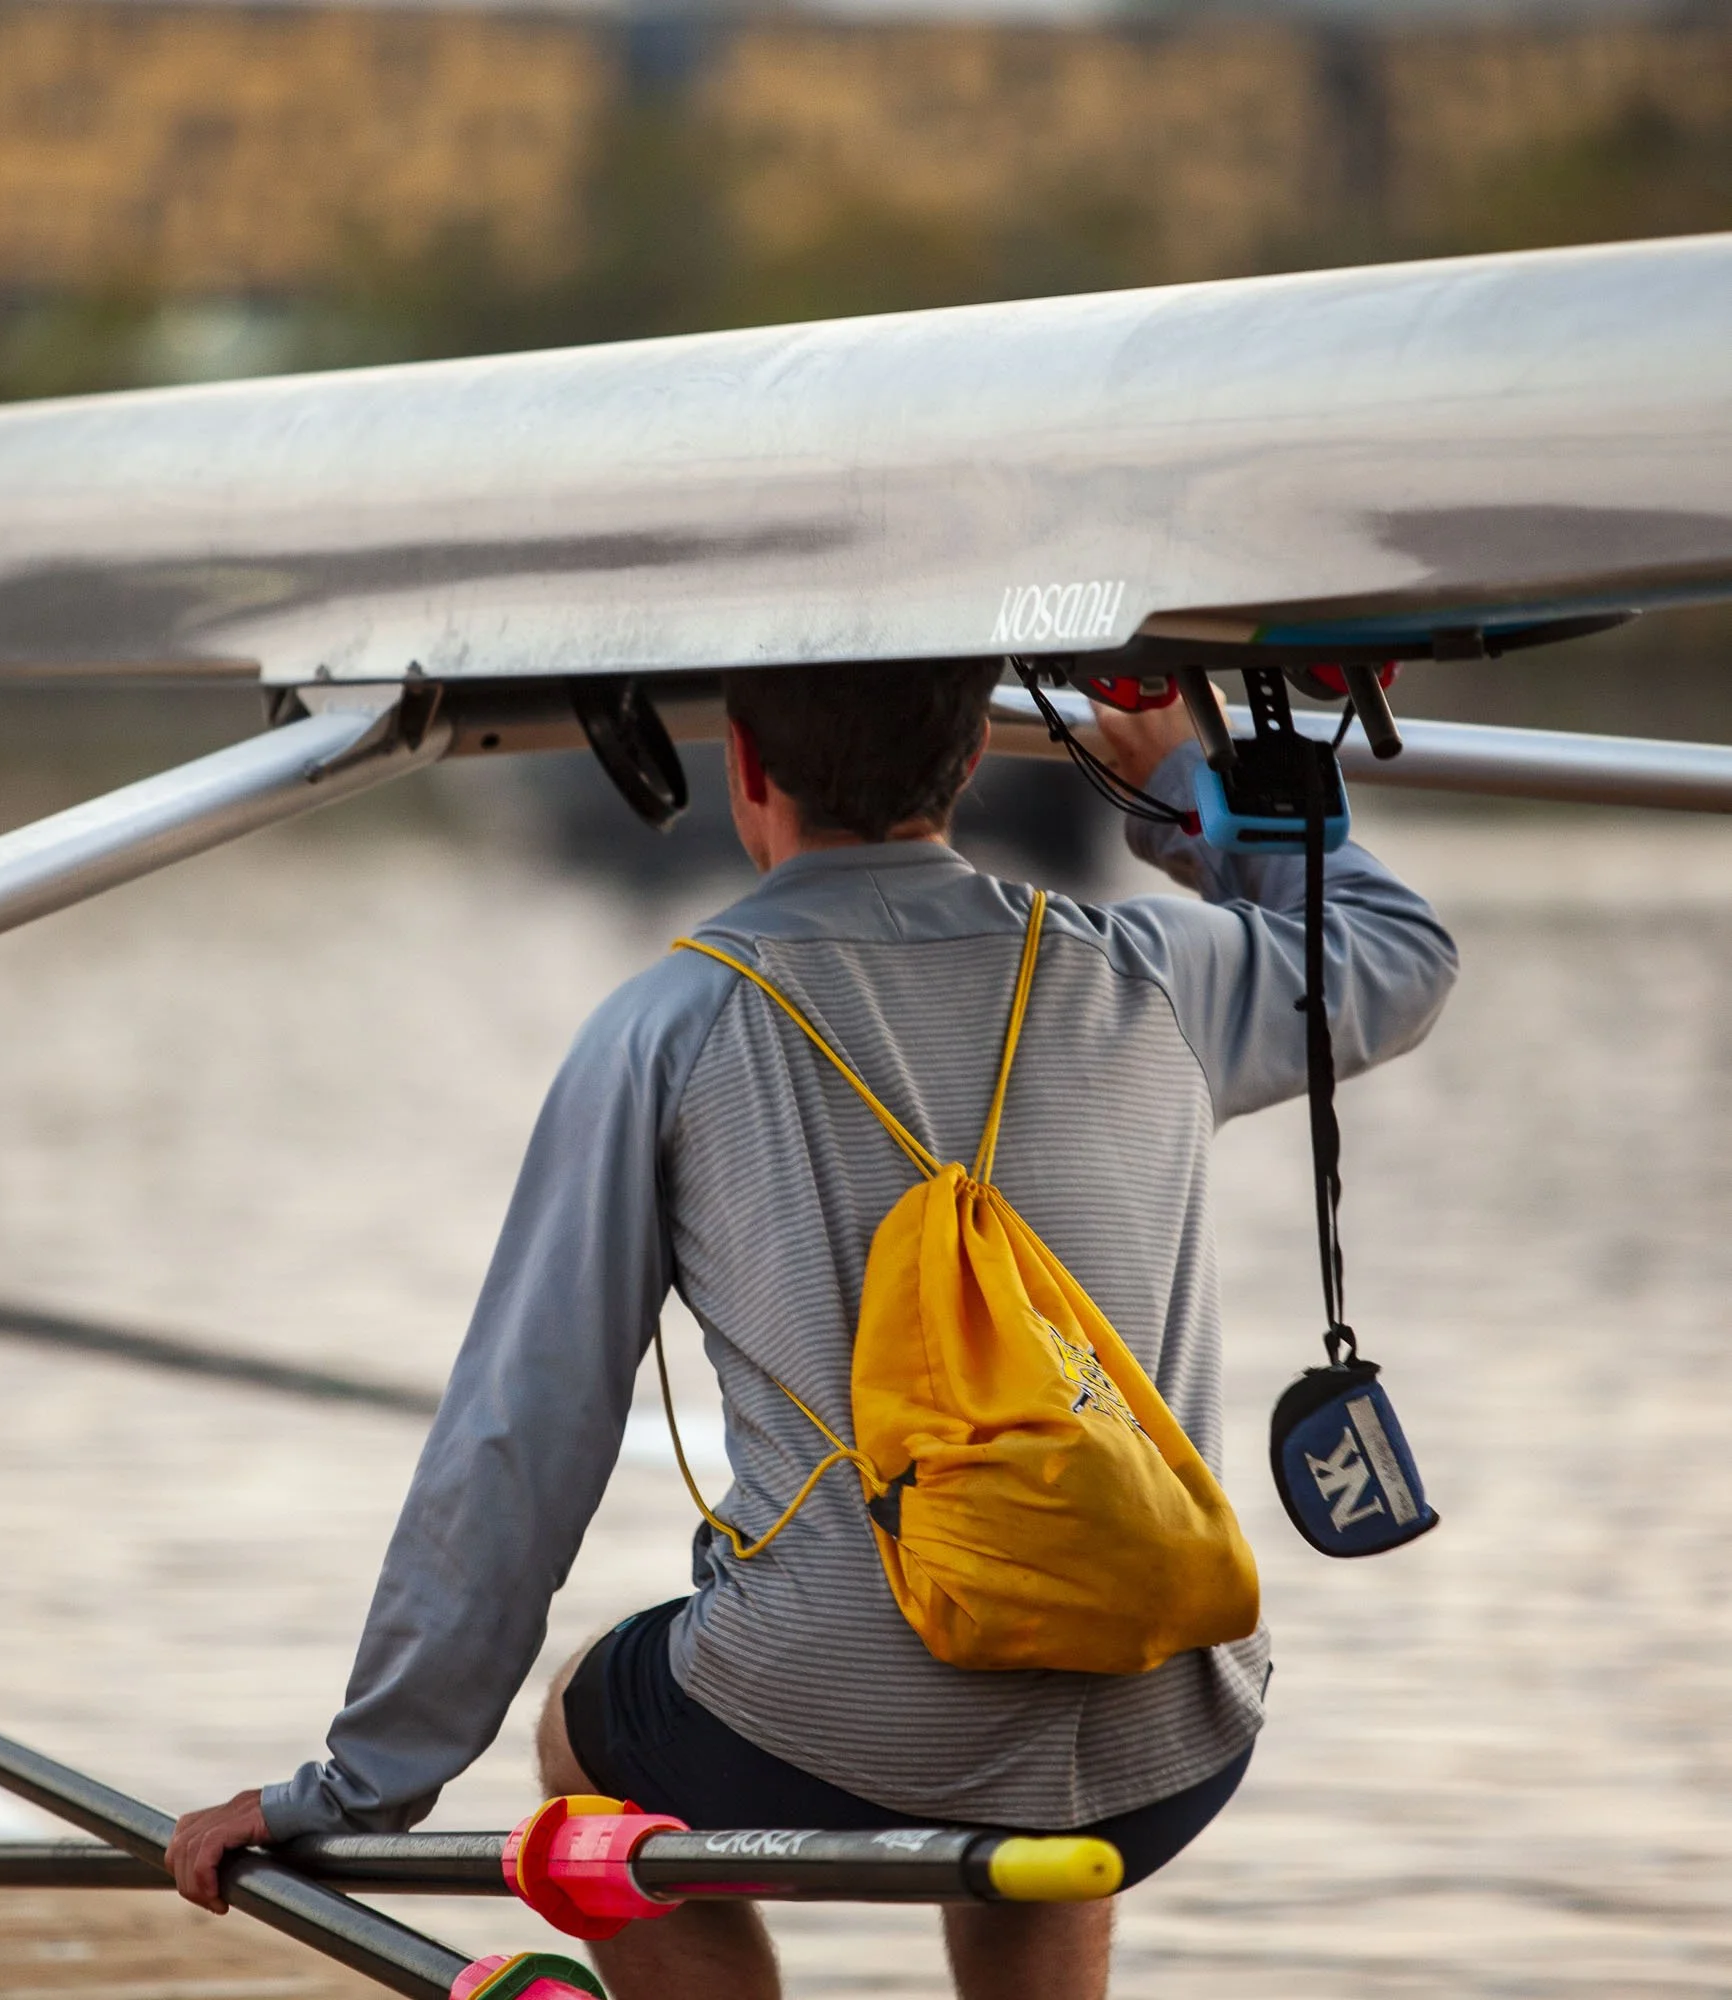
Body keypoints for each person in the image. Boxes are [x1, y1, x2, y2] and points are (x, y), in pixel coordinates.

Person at [168, 660, 1458, 2000]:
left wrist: (363, 1785)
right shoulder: (1151, 970)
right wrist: (1186, 797)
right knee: (1039, 1774)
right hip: (1177, 1728)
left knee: (582, 1737)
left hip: (832, 1727)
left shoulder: (670, 1024)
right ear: (967, 765)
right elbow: (1402, 955)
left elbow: (521, 1433)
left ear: (745, 768)